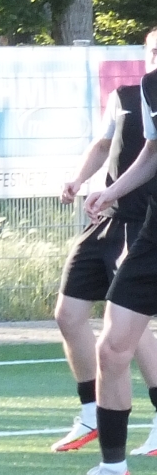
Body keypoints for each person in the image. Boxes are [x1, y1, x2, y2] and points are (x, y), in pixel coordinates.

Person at [51, 29, 157, 453]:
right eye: (153, 50)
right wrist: (82, 181)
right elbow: (106, 145)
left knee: (128, 325)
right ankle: (91, 413)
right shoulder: (132, 94)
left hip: (140, 221)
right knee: (67, 314)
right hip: (107, 217)